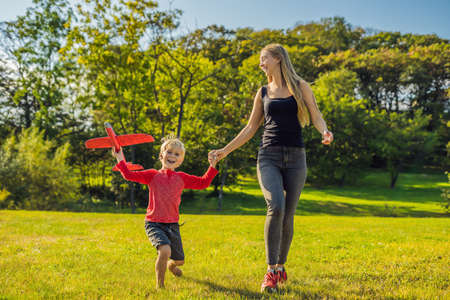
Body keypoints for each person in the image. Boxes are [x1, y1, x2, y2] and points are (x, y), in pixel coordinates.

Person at [209, 43, 333, 293]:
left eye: (263, 58)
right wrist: (224, 150)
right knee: (275, 206)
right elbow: (250, 128)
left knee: (288, 214)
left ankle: (280, 267)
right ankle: (269, 270)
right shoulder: (263, 91)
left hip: (297, 157)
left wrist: (325, 131)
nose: (260, 63)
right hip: (269, 156)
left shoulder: (301, 86)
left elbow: (316, 114)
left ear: (277, 58)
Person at [112, 136, 218, 289]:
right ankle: (160, 287)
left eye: (177, 154)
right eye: (169, 152)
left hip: (172, 225)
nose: (172, 156)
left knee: (180, 260)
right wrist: (119, 155)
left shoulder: (181, 178)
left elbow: (203, 183)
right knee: (164, 250)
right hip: (154, 223)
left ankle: (172, 266)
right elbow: (128, 174)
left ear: (181, 160)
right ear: (161, 155)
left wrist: (212, 165)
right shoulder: (152, 175)